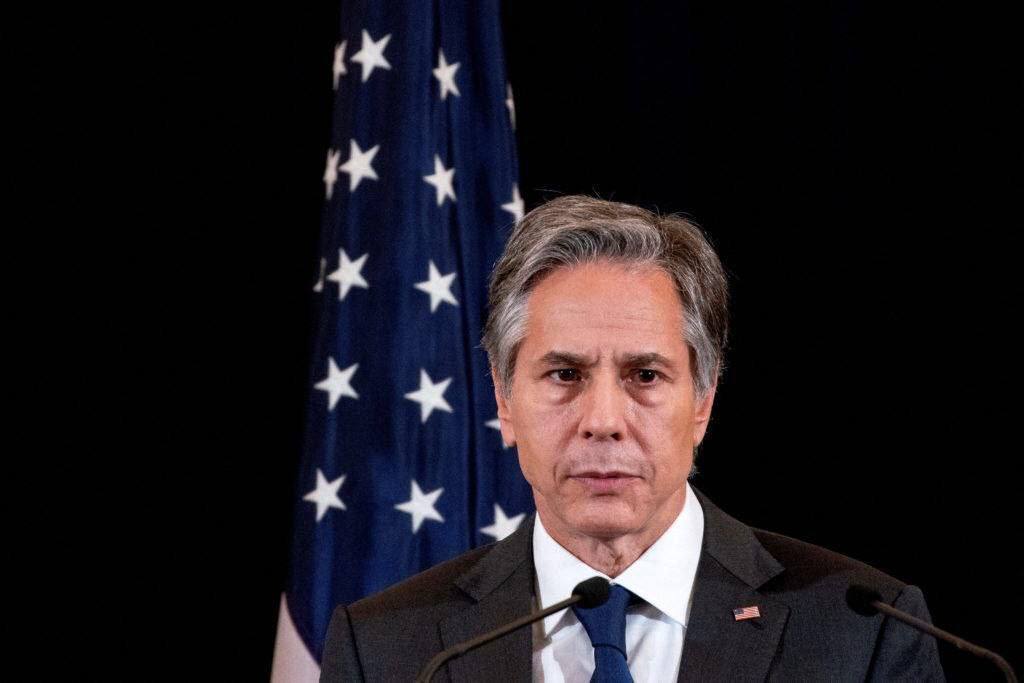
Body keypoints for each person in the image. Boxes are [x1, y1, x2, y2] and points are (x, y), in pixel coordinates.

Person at [320, 195, 945, 681]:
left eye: (645, 376)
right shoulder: (387, 650)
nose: (603, 420)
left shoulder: (860, 631)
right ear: (504, 400)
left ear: (703, 400)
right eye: (565, 374)